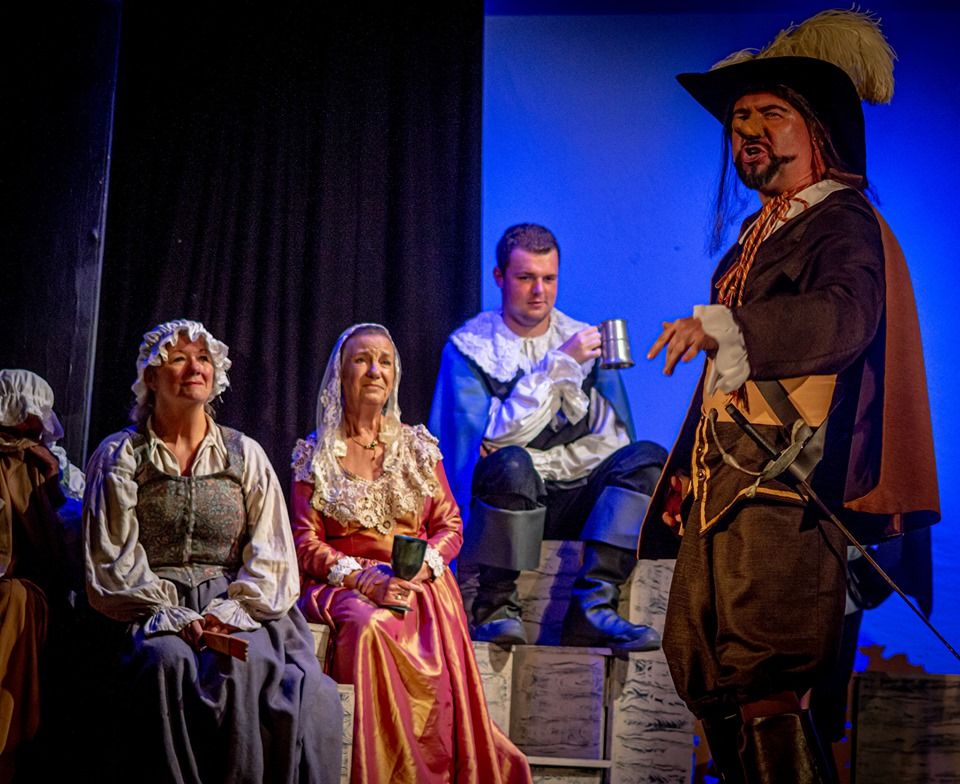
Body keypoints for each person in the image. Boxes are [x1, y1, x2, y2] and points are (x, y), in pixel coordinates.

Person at [644, 10, 939, 784]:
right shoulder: (757, 236)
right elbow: (729, 376)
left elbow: (843, 318)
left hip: (788, 493)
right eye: (741, 117)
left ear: (816, 131)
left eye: (771, 113)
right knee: (705, 669)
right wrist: (686, 473)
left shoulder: (841, 221)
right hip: (724, 489)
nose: (749, 130)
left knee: (766, 676)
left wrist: (729, 326)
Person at [83, 319, 342, 784]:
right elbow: (112, 557)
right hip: (146, 605)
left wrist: (234, 609)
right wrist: (168, 613)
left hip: (235, 600)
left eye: (202, 358)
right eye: (178, 359)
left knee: (244, 662)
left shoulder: (244, 454)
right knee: (166, 661)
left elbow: (273, 550)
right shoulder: (122, 454)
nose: (194, 368)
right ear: (151, 376)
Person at [291, 323, 531, 784]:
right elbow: (305, 541)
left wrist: (421, 566)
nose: (374, 370)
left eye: (384, 361)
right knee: (368, 627)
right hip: (346, 584)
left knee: (407, 620)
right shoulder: (314, 454)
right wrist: (361, 579)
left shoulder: (417, 448)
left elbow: (450, 525)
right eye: (362, 359)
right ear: (341, 372)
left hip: (416, 580)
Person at [429, 223, 666, 649]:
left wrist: (539, 459)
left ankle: (594, 604)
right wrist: (556, 368)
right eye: (525, 277)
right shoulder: (470, 348)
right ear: (499, 277)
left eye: (549, 278)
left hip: (576, 503)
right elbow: (491, 439)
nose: (539, 291)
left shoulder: (584, 341)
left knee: (646, 458)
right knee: (511, 465)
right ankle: (495, 606)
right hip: (506, 503)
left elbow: (610, 443)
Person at [0, 370, 72, 783]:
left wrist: (52, 485)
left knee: (15, 600)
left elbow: (65, 539)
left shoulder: (45, 463)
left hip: (29, 593)